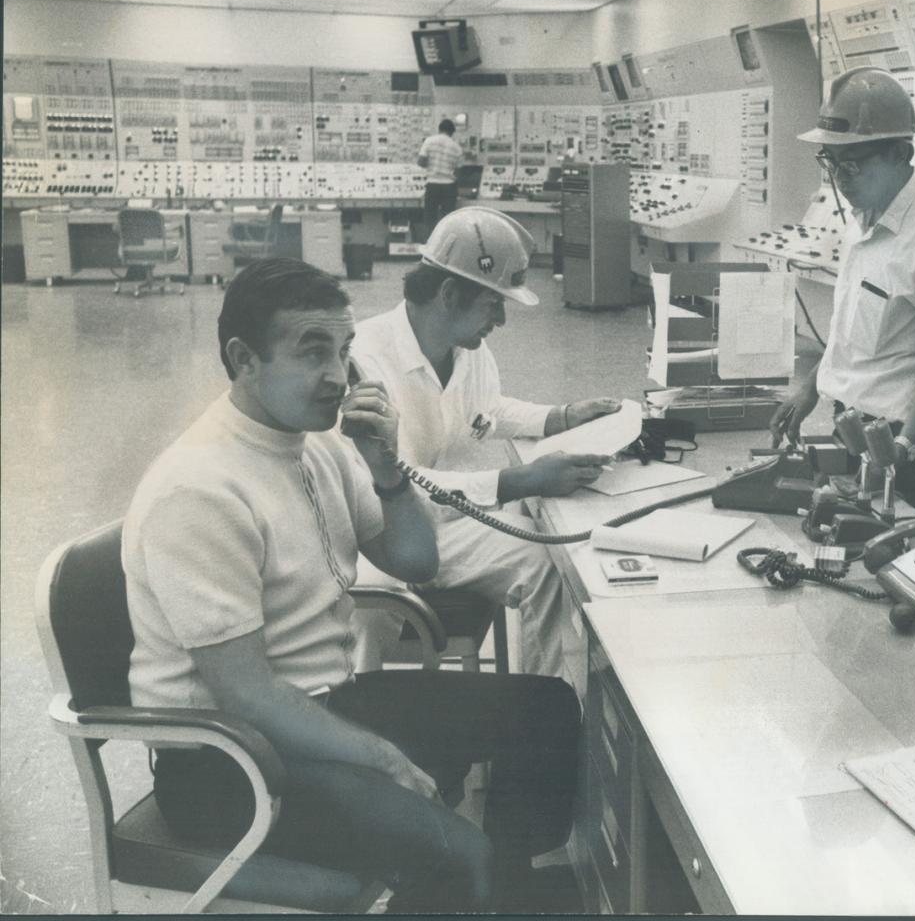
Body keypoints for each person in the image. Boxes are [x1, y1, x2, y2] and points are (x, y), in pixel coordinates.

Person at [122, 257, 580, 913]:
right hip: (231, 765)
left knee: (544, 712)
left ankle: (501, 880)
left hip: (322, 707)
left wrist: (387, 471)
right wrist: (382, 756)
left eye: (343, 352)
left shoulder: (320, 445)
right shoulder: (200, 489)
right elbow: (247, 693)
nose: (337, 377)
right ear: (243, 358)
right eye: (312, 354)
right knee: (458, 858)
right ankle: (476, 880)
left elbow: (416, 562)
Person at [350, 206, 619, 677]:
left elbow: (487, 410)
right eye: (493, 304)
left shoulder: (466, 348)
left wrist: (559, 417)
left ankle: (541, 709)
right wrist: (515, 481)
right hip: (377, 533)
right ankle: (369, 712)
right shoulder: (364, 361)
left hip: (436, 521)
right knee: (372, 609)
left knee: (546, 562)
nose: (500, 319)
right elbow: (390, 480)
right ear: (450, 294)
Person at [769, 67, 915, 517]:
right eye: (830, 162)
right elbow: (850, 329)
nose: (840, 179)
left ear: (900, 153)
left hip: (909, 443)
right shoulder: (862, 219)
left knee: (887, 564)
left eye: (853, 164)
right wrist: (812, 388)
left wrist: (901, 448)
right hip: (851, 427)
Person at [417, 117, 463, 235]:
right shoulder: (456, 147)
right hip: (449, 187)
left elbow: (421, 162)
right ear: (452, 132)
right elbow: (458, 172)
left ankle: (430, 247)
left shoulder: (429, 141)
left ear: (439, 129)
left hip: (432, 185)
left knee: (430, 219)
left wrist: (432, 165)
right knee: (448, 220)